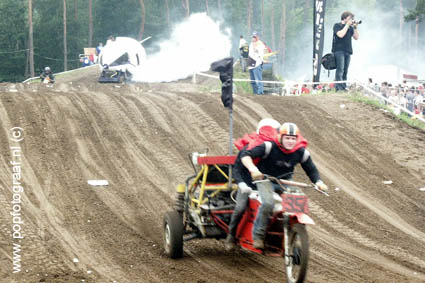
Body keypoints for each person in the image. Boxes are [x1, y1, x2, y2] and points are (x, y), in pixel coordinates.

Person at [226, 122, 328, 250]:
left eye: (293, 138)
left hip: (285, 181)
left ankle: (295, 235)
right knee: (268, 203)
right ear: (280, 137)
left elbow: (311, 169)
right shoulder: (269, 146)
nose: (290, 141)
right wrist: (253, 169)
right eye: (287, 138)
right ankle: (258, 235)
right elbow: (246, 156)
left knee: (299, 201)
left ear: (297, 139)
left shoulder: (301, 152)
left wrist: (318, 182)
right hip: (265, 180)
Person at [225, 118, 281, 251]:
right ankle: (231, 236)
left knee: (281, 206)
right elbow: (237, 169)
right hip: (247, 184)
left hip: (265, 184)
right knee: (240, 208)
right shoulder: (248, 148)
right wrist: (242, 184)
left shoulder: (275, 151)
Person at [332, 11, 359, 91]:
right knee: (340, 69)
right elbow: (340, 35)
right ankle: (338, 87)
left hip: (348, 51)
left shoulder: (350, 28)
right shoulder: (337, 25)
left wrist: (355, 27)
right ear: (344, 18)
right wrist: (347, 25)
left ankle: (343, 87)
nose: (351, 20)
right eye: (350, 18)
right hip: (339, 50)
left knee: (345, 70)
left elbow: (356, 37)